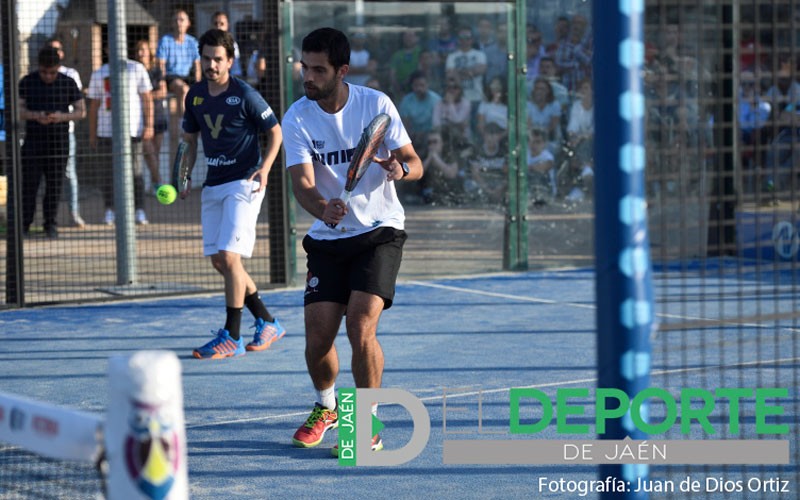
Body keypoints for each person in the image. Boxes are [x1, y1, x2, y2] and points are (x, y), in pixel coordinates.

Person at [282, 27, 423, 453]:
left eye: (318, 69)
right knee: (317, 338)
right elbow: (303, 185)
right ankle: (327, 406)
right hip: (329, 237)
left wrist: (401, 171)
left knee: (360, 323)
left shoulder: (375, 104)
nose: (308, 76)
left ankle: (365, 422)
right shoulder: (297, 117)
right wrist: (322, 207)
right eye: (304, 67)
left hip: (380, 230)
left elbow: (414, 163)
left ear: (341, 70)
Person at [180, 29, 285, 359]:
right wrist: (183, 173)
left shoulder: (245, 94)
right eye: (207, 58)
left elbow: (276, 133)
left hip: (245, 182)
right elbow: (189, 141)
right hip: (213, 184)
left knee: (229, 258)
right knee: (220, 262)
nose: (211, 64)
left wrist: (265, 169)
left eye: (218, 59)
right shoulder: (195, 95)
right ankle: (267, 321)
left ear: (230, 61)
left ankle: (232, 337)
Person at [18, 46, 85, 238]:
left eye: (52, 72)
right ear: (38, 67)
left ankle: (50, 224)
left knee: (55, 185)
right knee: (30, 184)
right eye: (44, 72)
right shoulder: (28, 82)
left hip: (58, 142)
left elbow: (81, 111)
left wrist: (61, 117)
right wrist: (36, 115)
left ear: (59, 67)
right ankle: (24, 224)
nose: (48, 76)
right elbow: (18, 109)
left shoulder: (68, 82)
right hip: (33, 141)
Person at [87, 50, 154, 226]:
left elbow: (147, 98)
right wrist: (92, 133)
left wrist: (149, 125)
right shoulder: (99, 72)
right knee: (107, 173)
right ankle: (110, 209)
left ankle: (138, 209)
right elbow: (94, 105)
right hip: (105, 132)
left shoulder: (136, 68)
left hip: (132, 130)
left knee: (136, 172)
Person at [46, 37, 85, 228]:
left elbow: (78, 104)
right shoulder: (39, 75)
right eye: (51, 49)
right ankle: (47, 219)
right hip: (42, 132)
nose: (55, 53)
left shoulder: (71, 74)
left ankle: (73, 213)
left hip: (65, 131)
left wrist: (60, 116)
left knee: (69, 173)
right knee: (45, 175)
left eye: (58, 49)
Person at [156, 8, 201, 143]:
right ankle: (186, 125)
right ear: (171, 23)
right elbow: (161, 64)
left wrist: (198, 84)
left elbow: (197, 66)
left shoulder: (193, 42)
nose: (178, 23)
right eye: (176, 20)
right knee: (183, 90)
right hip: (172, 77)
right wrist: (162, 81)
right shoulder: (165, 40)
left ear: (188, 23)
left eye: (182, 20)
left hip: (188, 77)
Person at [135, 39, 167, 191]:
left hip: (159, 115)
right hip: (142, 118)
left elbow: (163, 92)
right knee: (149, 151)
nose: (141, 53)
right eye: (139, 50)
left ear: (149, 53)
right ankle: (159, 182)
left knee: (156, 153)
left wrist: (145, 96)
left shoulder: (156, 71)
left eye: (144, 50)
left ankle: (154, 186)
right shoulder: (134, 71)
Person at [211, 11, 243, 77]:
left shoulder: (232, 45)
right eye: (215, 24)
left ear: (227, 26)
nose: (218, 27)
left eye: (222, 24)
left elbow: (236, 70)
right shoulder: (206, 45)